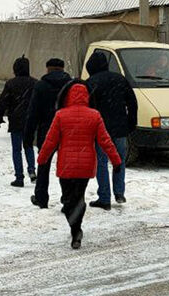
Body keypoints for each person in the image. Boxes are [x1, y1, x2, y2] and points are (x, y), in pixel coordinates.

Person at [37, 81, 122, 249]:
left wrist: (42, 159)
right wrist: (116, 160)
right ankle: (77, 228)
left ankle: (75, 229)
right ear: (87, 98)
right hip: (85, 165)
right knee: (79, 197)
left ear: (68, 97)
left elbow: (50, 141)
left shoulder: (61, 115)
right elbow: (105, 141)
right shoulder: (95, 115)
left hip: (66, 166)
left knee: (68, 200)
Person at [85, 51, 138, 208]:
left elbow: (87, 108)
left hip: (100, 130)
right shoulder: (120, 79)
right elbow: (132, 102)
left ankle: (105, 197)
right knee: (119, 160)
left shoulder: (91, 82)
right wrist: (131, 122)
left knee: (101, 162)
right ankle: (119, 192)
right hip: (120, 128)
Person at [24, 58, 72, 209]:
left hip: (47, 130)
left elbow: (33, 113)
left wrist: (28, 135)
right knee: (65, 166)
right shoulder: (71, 86)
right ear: (63, 69)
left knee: (43, 164)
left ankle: (41, 197)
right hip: (67, 130)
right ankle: (67, 199)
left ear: (48, 69)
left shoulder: (41, 86)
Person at [0, 56, 37, 187]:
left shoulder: (10, 83)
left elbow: (3, 102)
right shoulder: (35, 83)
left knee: (16, 149)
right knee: (29, 146)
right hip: (30, 120)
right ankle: (32, 170)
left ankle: (19, 177)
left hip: (15, 120)